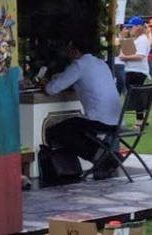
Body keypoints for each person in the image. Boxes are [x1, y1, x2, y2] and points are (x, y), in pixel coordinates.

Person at [42, 39, 126, 178]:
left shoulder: (79, 65)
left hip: (98, 120)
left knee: (58, 131)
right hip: (116, 119)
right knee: (74, 127)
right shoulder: (102, 64)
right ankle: (104, 155)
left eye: (69, 51)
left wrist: (45, 83)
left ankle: (101, 156)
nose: (68, 55)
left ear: (75, 51)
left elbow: (52, 89)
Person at [118, 16, 150, 88]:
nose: (129, 29)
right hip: (131, 70)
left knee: (133, 92)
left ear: (138, 27)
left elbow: (140, 56)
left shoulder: (142, 39)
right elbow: (127, 52)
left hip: (137, 71)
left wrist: (125, 57)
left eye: (131, 27)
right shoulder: (135, 39)